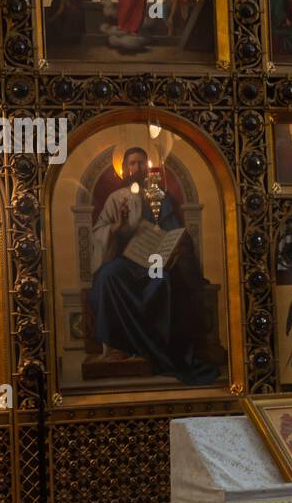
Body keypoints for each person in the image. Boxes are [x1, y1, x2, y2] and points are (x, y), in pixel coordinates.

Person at [88, 146, 219, 385]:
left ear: (147, 168)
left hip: (155, 263)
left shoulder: (161, 197)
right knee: (108, 275)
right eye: (132, 163)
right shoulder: (116, 199)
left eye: (141, 163)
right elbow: (99, 232)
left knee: (162, 282)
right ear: (125, 168)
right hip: (127, 262)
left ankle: (158, 347)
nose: (136, 168)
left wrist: (174, 246)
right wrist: (116, 227)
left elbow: (176, 233)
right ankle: (120, 345)